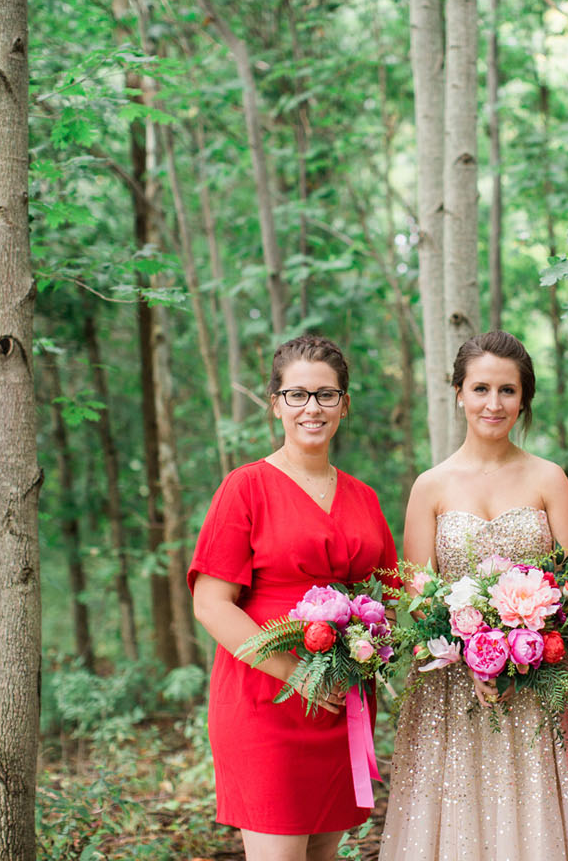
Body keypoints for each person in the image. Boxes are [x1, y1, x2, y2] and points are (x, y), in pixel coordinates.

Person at [379, 331, 568, 861]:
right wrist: (469, 640)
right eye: (481, 388)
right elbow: (417, 590)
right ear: (458, 392)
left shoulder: (549, 478)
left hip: (537, 677)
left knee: (535, 812)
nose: (494, 403)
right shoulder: (430, 485)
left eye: (508, 390)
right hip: (449, 685)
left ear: (524, 398)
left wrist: (520, 642)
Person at [189, 335, 397, 861]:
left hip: (341, 702)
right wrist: (294, 671)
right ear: (275, 403)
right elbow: (211, 604)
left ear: (344, 405)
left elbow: (392, 594)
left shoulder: (363, 497)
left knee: (326, 853)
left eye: (326, 395)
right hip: (265, 699)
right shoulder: (246, 487)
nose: (313, 408)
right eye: (297, 395)